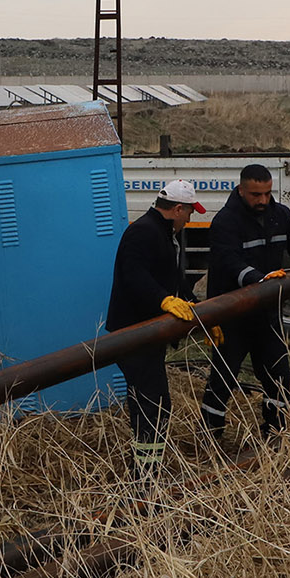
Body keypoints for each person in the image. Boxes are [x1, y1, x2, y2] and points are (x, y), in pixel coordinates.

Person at [105, 178, 214, 479]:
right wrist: (163, 299)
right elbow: (134, 274)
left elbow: (174, 280)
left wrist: (200, 314)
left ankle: (147, 467)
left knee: (155, 403)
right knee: (151, 404)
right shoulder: (143, 232)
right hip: (133, 335)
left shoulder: (163, 234)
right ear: (178, 209)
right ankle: (144, 475)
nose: (191, 218)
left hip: (147, 334)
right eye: (191, 212)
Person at [199, 164, 290, 442]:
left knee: (278, 377)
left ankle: (274, 433)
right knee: (224, 377)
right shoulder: (225, 222)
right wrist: (258, 278)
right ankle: (211, 437)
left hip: (266, 315)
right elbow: (229, 262)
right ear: (241, 190)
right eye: (255, 195)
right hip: (233, 314)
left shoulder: (280, 215)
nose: (262, 200)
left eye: (266, 193)